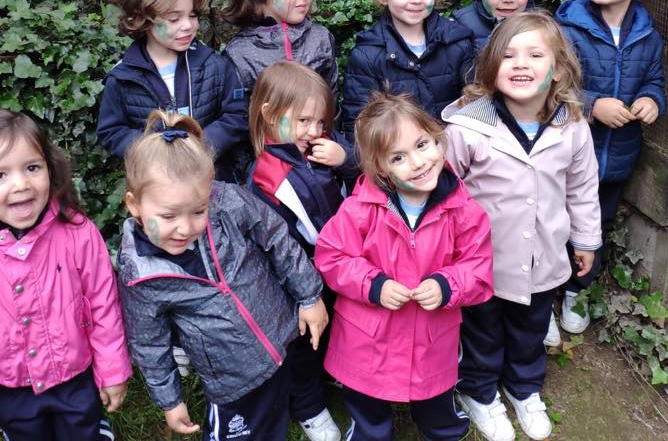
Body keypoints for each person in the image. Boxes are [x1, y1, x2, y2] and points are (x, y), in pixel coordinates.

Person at [117, 110, 329, 440]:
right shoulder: (140, 274)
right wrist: (170, 400)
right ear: (134, 205)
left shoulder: (227, 203)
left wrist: (310, 295)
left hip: (280, 342)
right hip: (231, 383)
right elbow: (149, 342)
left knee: (273, 424)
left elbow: (276, 238)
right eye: (169, 216)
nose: (185, 228)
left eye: (198, 211)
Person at [0, 111, 131, 441]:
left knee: (83, 431)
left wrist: (112, 368)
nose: (21, 184)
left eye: (32, 168)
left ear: (49, 169)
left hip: (76, 379)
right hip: (10, 388)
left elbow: (103, 302)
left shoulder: (78, 233)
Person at [443, 11, 601, 441]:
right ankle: (479, 392)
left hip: (543, 258)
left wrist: (586, 239)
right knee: (482, 333)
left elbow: (582, 188)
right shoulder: (466, 128)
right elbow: (444, 195)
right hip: (482, 264)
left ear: (558, 69)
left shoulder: (572, 126)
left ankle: (524, 388)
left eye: (535, 55)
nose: (521, 64)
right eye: (509, 55)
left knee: (530, 330)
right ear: (491, 67)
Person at [314, 92, 494, 441]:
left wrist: (446, 285)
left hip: (431, 336)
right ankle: (369, 434)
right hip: (367, 338)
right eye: (398, 157)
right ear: (380, 168)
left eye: (422, 145)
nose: (418, 162)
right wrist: (374, 285)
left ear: (437, 139)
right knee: (367, 403)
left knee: (435, 400)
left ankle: (444, 430)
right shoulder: (360, 209)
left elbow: (478, 268)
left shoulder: (464, 211)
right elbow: (331, 256)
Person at [555, 0, 666, 333]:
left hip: (615, 158)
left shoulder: (648, 37)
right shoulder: (566, 30)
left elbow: (654, 79)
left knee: (595, 226)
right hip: (565, 157)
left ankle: (576, 292)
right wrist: (592, 105)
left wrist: (652, 100)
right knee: (552, 225)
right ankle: (542, 300)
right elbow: (550, 86)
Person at [248, 61, 358, 441]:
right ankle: (308, 406)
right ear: (269, 115)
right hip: (297, 281)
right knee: (303, 345)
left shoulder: (321, 148)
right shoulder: (268, 177)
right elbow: (291, 240)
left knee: (334, 329)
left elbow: (360, 182)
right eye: (304, 121)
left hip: (334, 266)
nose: (314, 131)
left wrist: (344, 160)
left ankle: (334, 374)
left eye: (320, 121)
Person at [96, 0, 248, 181]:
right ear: (141, 18)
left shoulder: (215, 66)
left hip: (212, 182)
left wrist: (201, 145)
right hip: (157, 186)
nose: (187, 25)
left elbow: (237, 115)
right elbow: (111, 132)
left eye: (193, 15)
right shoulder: (123, 78)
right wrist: (154, 149)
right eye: (174, 18)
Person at [342, 0, 475, 141]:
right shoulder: (367, 55)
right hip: (397, 153)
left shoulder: (456, 43)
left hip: (454, 149)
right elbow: (359, 122)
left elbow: (476, 104)